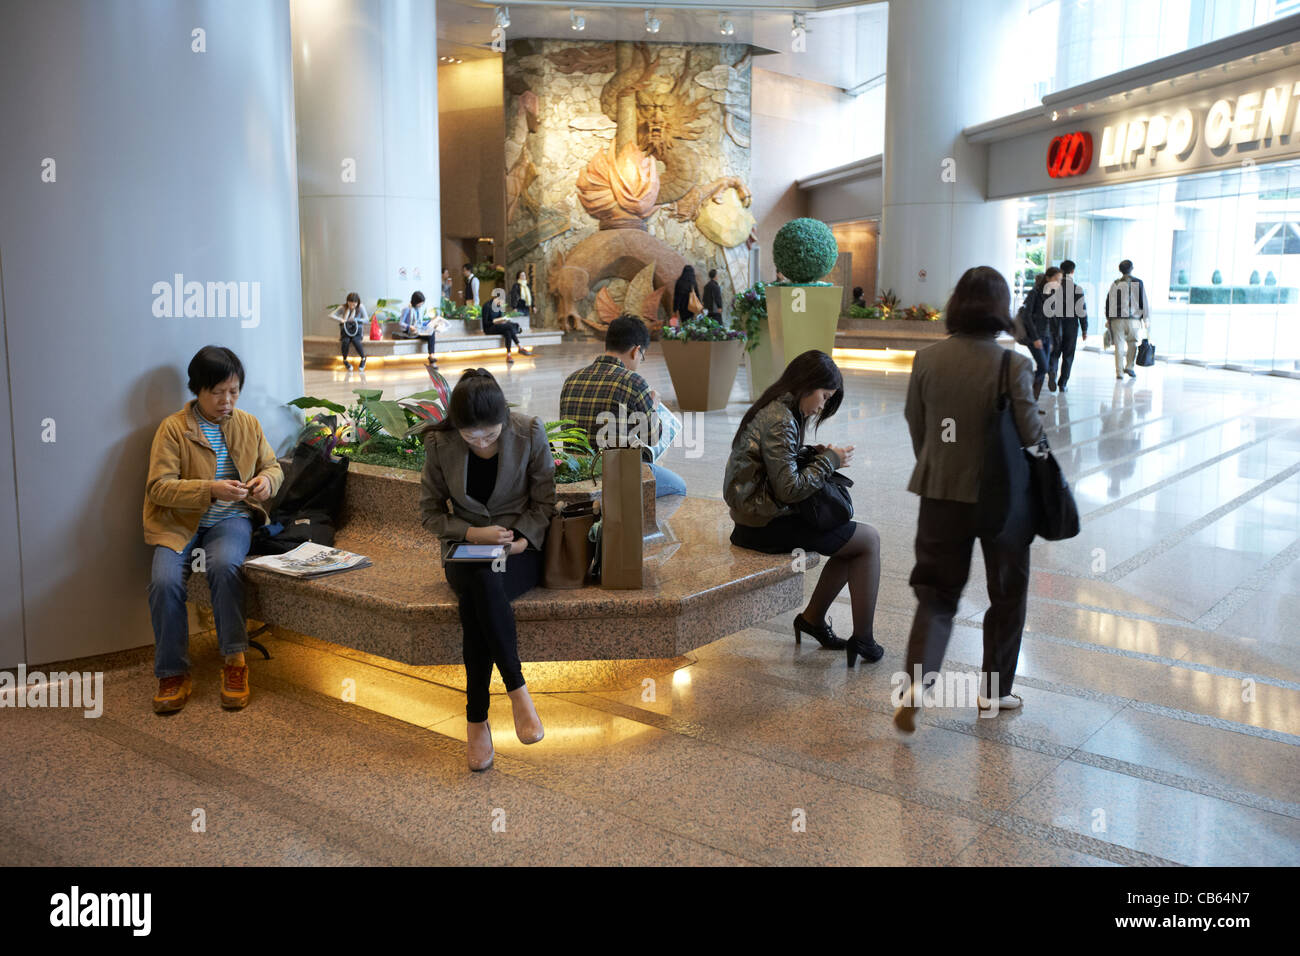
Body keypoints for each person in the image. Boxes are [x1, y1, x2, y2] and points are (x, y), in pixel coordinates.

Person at [895, 266, 1046, 732]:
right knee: (1007, 595)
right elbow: (1031, 435)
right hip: (1002, 502)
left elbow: (915, 423)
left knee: (937, 593)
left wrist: (938, 463)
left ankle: (918, 682)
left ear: (956, 303)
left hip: (941, 493)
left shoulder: (927, 359)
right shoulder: (1013, 365)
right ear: (1001, 310)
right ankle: (994, 693)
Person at [419, 369, 557, 772]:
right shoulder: (439, 442)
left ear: (504, 420)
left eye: (490, 435)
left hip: (518, 551)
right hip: (464, 550)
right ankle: (518, 692)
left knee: (479, 595)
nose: (480, 443)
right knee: (480, 580)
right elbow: (429, 514)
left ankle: (476, 719)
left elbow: (544, 503)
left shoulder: (529, 432)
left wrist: (519, 542)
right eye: (470, 436)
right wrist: (472, 532)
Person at [144, 346, 283, 714]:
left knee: (225, 566)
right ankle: (173, 672)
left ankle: (235, 662)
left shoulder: (248, 423)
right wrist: (209, 489)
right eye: (217, 392)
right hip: (178, 522)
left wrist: (267, 482)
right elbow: (158, 487)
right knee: (163, 581)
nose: (227, 400)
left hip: (231, 519)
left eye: (234, 391)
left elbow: (273, 466)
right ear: (197, 390)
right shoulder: (173, 428)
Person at [724, 350, 884, 666]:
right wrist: (828, 460)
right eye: (824, 396)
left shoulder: (779, 407)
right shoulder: (781, 418)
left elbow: (777, 468)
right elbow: (790, 488)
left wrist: (813, 453)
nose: (823, 406)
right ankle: (861, 638)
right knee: (868, 541)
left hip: (759, 514)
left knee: (854, 544)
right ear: (807, 385)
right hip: (765, 524)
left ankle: (815, 620)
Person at [559, 314, 687, 498]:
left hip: (575, 472)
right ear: (636, 351)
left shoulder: (571, 379)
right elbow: (652, 438)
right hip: (617, 477)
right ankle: (643, 526)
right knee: (677, 487)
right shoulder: (633, 381)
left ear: (607, 345)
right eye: (641, 356)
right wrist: (653, 406)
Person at [1048, 259, 1088, 392]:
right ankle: (1063, 383)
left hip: (1056, 323)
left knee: (1054, 352)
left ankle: (1052, 372)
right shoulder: (1077, 289)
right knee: (1068, 354)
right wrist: (1084, 329)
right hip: (1071, 324)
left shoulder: (1054, 287)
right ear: (1072, 271)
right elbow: (1081, 310)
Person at [1105, 259, 1148, 380]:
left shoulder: (1115, 283)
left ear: (1120, 270)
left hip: (1117, 320)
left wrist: (1108, 318)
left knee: (1119, 345)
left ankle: (1119, 372)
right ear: (1132, 268)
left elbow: (1109, 302)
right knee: (1133, 342)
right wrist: (1146, 318)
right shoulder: (1138, 282)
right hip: (1134, 320)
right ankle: (1129, 366)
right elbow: (1143, 301)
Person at [482, 291, 532, 364]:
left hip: (498, 326)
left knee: (508, 331)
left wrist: (502, 320)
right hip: (489, 328)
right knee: (509, 327)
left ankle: (509, 355)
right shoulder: (487, 306)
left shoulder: (498, 306)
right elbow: (485, 323)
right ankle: (520, 347)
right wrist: (494, 321)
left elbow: (500, 318)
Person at [393, 291, 436, 366]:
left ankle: (431, 355)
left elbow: (419, 323)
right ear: (415, 301)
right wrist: (409, 326)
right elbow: (401, 323)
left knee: (431, 333)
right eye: (420, 303)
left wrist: (430, 322)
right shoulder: (407, 309)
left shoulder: (419, 310)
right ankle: (432, 359)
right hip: (410, 332)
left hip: (418, 331)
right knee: (430, 335)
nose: (421, 304)